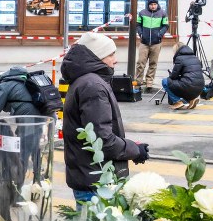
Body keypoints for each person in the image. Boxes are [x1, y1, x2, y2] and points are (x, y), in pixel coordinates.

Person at [61, 32, 148, 202]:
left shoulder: (86, 80)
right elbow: (102, 140)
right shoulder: (93, 85)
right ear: (97, 56)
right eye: (111, 54)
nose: (115, 60)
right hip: (95, 182)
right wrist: (135, 151)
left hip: (87, 175)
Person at [134, 0, 169, 91]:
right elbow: (138, 25)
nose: (153, 6)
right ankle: (138, 82)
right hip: (144, 43)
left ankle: (149, 82)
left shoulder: (163, 13)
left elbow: (166, 26)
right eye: (151, 4)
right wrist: (140, 33)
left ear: (157, 4)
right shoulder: (142, 13)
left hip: (156, 43)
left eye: (155, 4)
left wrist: (160, 34)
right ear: (148, 5)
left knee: (153, 63)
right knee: (140, 62)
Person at [162, 43, 205, 111]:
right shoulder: (195, 57)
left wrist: (170, 77)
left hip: (189, 85)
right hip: (200, 86)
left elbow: (174, 76)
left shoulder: (179, 58)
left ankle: (177, 102)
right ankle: (192, 99)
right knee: (185, 83)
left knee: (165, 81)